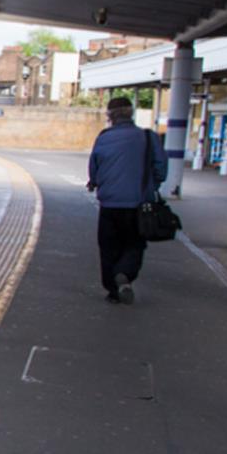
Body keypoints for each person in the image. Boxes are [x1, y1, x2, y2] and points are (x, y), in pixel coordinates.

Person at [86, 96, 167, 305]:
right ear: (131, 113)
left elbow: (94, 167)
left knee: (108, 246)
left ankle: (113, 292)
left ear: (110, 116)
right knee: (134, 243)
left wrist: (96, 183)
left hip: (109, 203)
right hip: (138, 204)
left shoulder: (103, 137)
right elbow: (161, 169)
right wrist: (151, 186)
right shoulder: (148, 137)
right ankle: (125, 274)